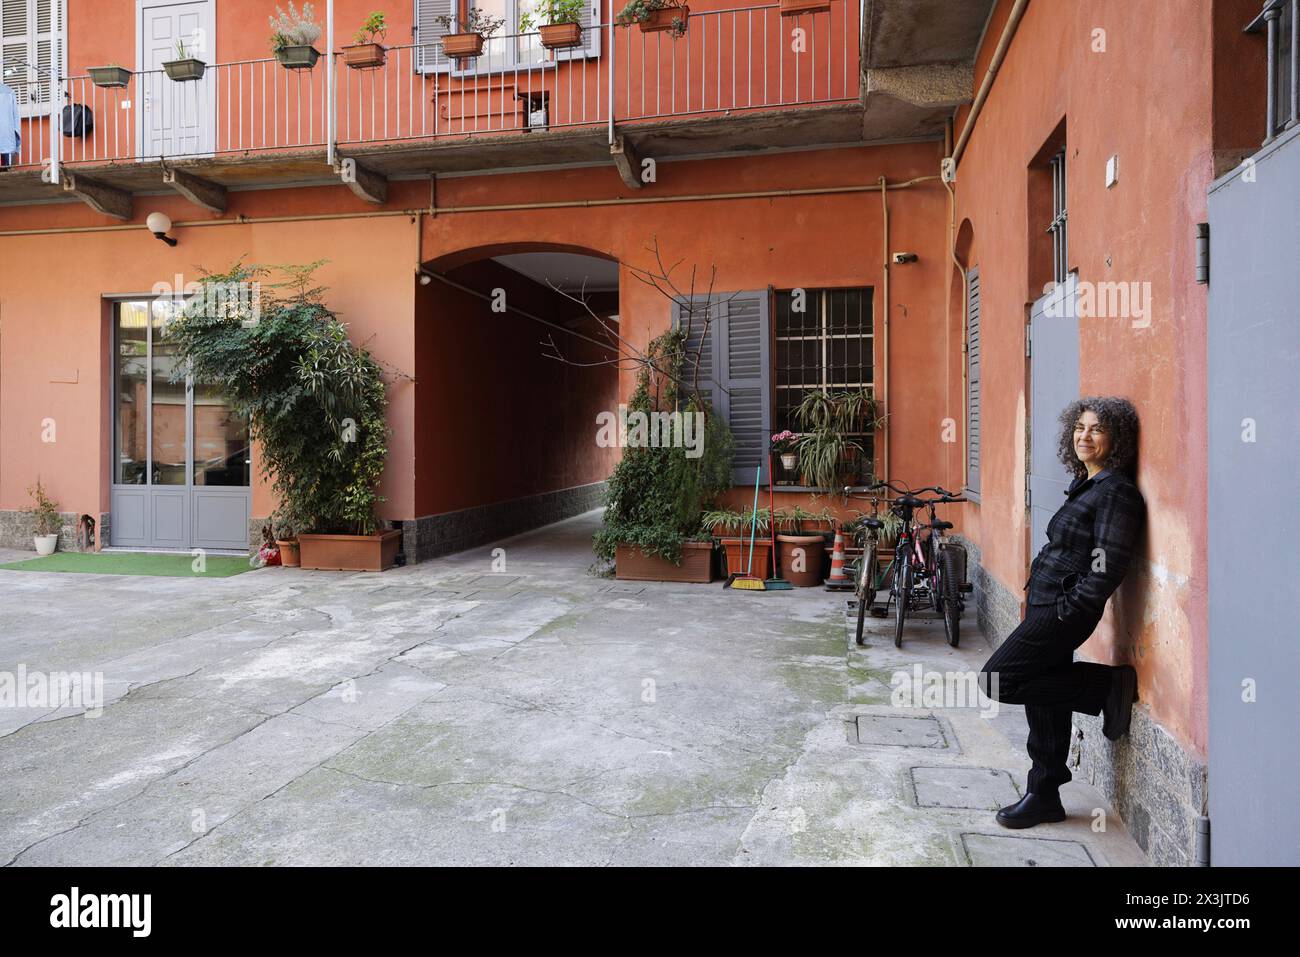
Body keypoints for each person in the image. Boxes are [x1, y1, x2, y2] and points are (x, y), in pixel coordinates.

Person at [979, 396, 1146, 828]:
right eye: (1079, 427)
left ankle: (1106, 685)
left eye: (1096, 429)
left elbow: (1108, 562)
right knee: (1041, 695)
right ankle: (1044, 793)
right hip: (1045, 600)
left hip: (1063, 608)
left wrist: (1074, 606)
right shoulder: (1086, 483)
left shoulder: (1117, 492)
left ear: (1118, 439)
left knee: (1000, 679)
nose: (1084, 436)